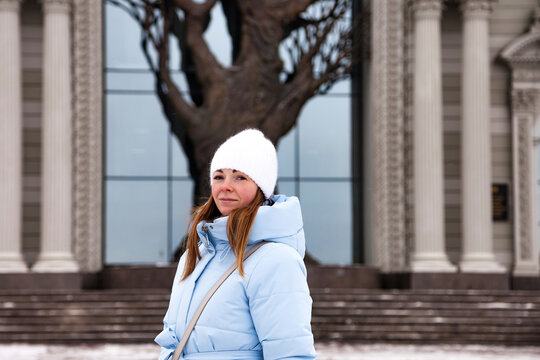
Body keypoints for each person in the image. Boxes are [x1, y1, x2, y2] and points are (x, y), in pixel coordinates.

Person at [155, 129, 316, 360]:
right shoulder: (195, 255)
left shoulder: (276, 260)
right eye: (219, 177)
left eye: (240, 177)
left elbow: (291, 354)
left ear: (260, 187)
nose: (226, 186)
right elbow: (173, 339)